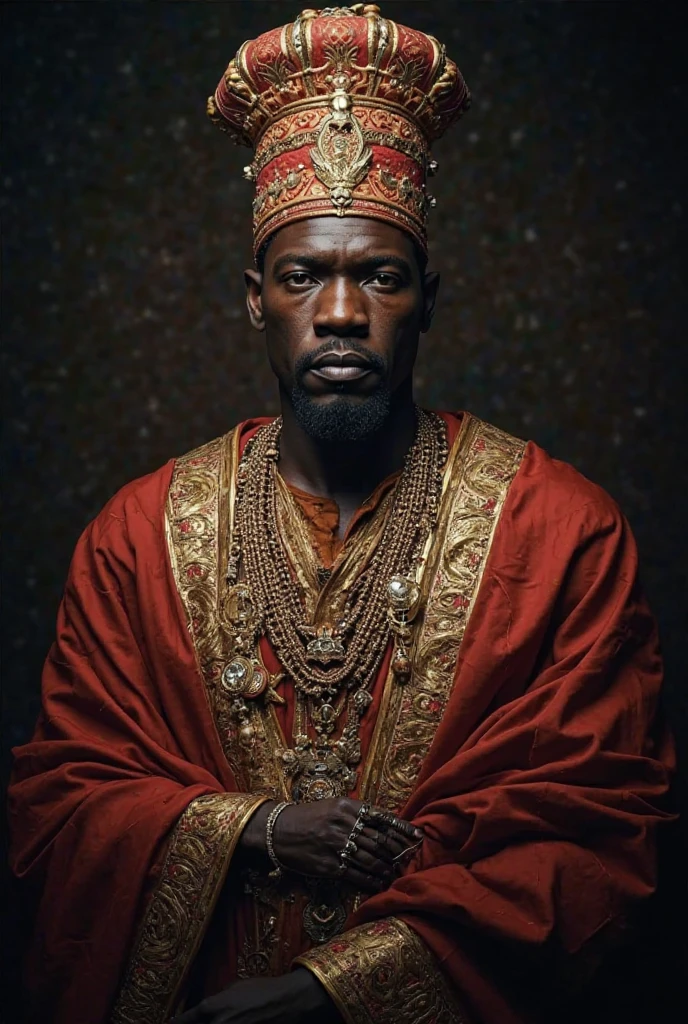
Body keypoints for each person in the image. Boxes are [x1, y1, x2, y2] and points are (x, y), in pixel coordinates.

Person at [8, 5, 676, 1024]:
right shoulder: (139, 535)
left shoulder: (558, 530)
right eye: (302, 275)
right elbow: (61, 805)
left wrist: (337, 993)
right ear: (253, 298)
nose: (339, 312)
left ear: (427, 298)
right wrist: (258, 828)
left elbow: (596, 836)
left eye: (378, 275)